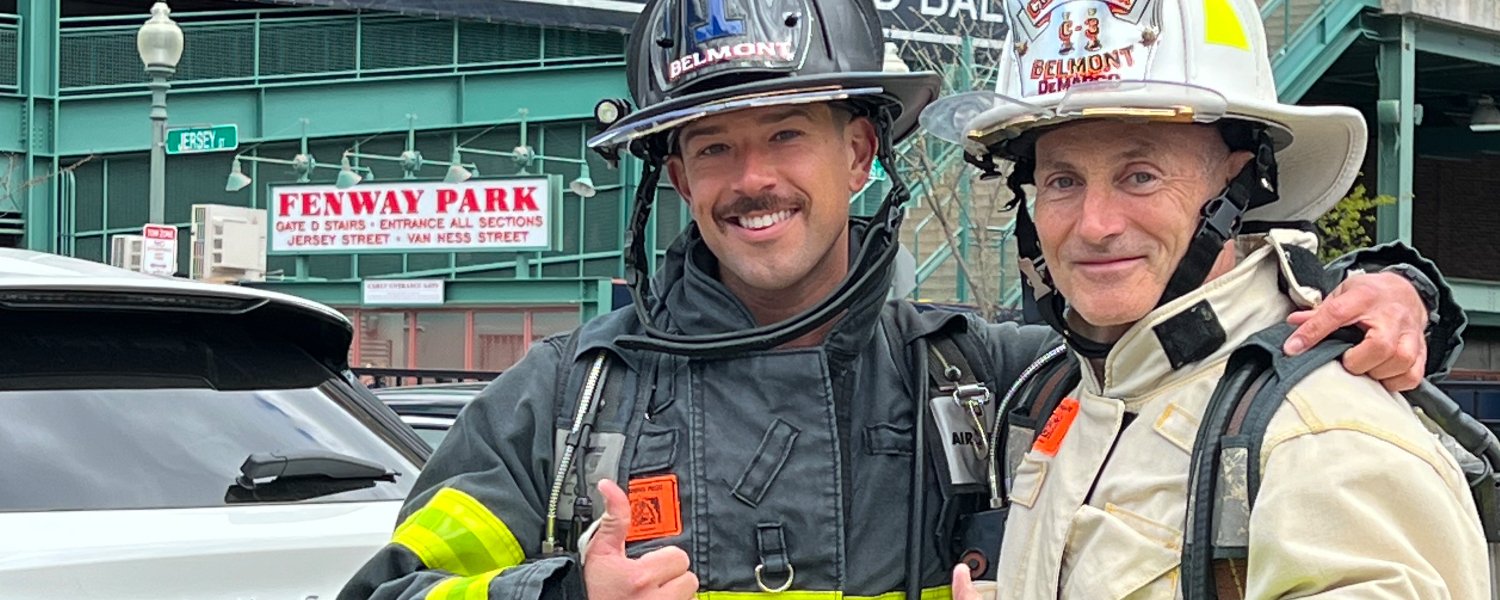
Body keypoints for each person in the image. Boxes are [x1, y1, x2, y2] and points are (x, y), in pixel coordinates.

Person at [338, 0, 1451, 597]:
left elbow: (1179, 342)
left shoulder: (1003, 380)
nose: (752, 179)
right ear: (674, 174)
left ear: (861, 151)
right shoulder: (562, 400)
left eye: (787, 134)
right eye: (713, 146)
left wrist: (1400, 296)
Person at [929, 0, 1487, 598]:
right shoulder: (1071, 391)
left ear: (1236, 184)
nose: (1094, 225)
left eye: (1140, 176)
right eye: (1063, 181)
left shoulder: (1321, 437)